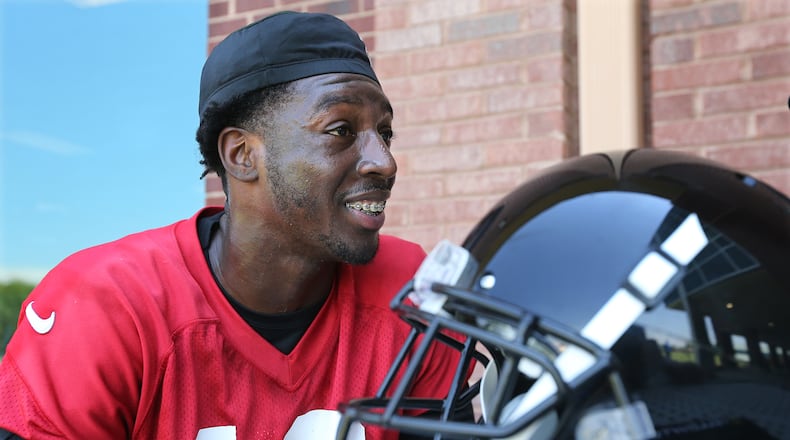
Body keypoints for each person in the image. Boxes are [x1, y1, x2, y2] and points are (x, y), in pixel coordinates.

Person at [0, 11, 464, 439]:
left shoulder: (409, 287)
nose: (384, 161)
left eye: (384, 133)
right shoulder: (109, 303)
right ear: (242, 156)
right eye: (340, 129)